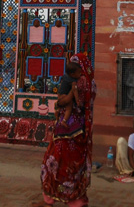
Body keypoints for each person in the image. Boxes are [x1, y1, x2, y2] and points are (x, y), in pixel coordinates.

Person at [37, 53, 96, 207]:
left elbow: (63, 101)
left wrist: (64, 98)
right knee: (76, 166)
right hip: (81, 130)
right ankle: (77, 200)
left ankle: (52, 197)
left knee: (58, 161)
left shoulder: (79, 83)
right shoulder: (90, 83)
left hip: (68, 131)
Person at [53, 60, 82, 136]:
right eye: (79, 73)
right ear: (72, 74)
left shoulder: (66, 76)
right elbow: (75, 90)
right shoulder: (73, 81)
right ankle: (64, 121)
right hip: (64, 96)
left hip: (60, 95)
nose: (80, 74)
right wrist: (77, 100)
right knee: (69, 107)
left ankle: (58, 110)